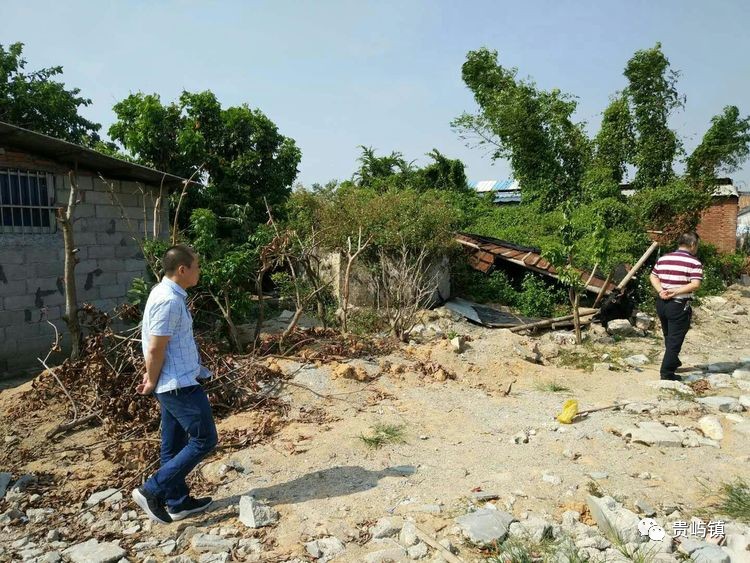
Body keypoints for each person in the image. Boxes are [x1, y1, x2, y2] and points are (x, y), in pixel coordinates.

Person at [131, 245, 218, 524]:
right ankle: (152, 489)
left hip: (173, 381)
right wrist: (151, 379)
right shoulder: (169, 299)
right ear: (183, 269)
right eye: (197, 266)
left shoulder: (166, 294)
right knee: (205, 439)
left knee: (173, 444)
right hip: (177, 385)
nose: (199, 271)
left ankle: (178, 503)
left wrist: (153, 378)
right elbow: (156, 349)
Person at [649, 232, 703, 381]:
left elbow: (653, 276)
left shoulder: (664, 258)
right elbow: (695, 284)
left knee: (668, 335)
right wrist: (676, 291)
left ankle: (672, 360)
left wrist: (661, 290)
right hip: (678, 304)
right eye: (697, 245)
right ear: (692, 245)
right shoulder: (694, 262)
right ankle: (667, 373)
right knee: (675, 339)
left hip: (661, 303)